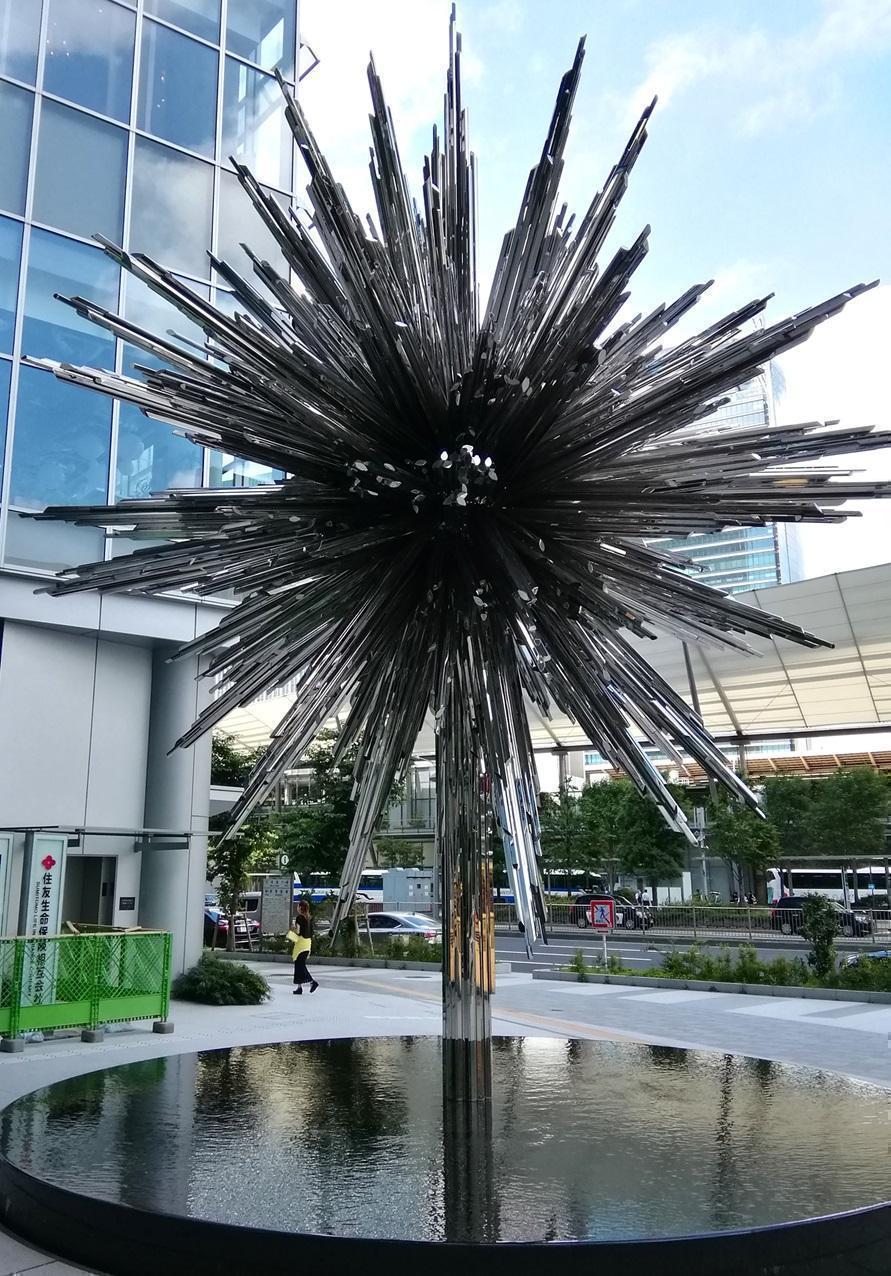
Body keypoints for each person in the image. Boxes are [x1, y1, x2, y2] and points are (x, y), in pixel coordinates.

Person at [287, 901, 318, 995]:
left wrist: (293, 928)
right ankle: (299, 987)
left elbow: (298, 931)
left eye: (298, 906)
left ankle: (312, 982)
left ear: (300, 907)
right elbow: (311, 932)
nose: (297, 908)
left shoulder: (299, 918)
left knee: (300, 965)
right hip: (307, 943)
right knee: (299, 964)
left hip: (300, 944)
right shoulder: (309, 918)